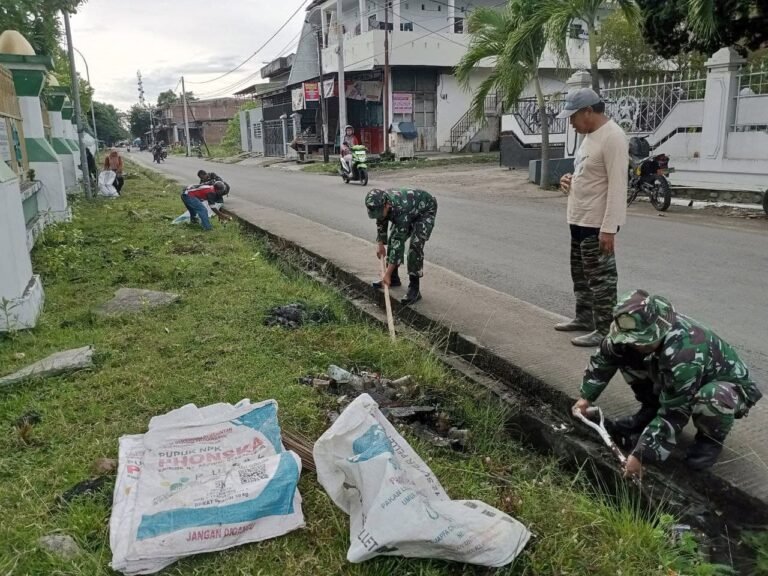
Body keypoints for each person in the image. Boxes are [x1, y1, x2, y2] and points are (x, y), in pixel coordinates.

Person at [573, 289, 762, 478]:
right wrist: (586, 398)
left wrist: (642, 455)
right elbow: (604, 359)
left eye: (643, 341)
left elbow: (675, 411)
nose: (637, 344)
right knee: (627, 356)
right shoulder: (627, 333)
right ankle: (650, 409)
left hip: (728, 388)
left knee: (712, 397)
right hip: (679, 378)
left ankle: (710, 439)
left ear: (659, 330)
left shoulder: (684, 352)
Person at [557, 88, 628, 347]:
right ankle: (584, 317)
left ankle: (605, 330)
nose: (571, 123)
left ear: (588, 111)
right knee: (580, 274)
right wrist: (568, 180)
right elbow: (589, 175)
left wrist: (609, 229)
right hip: (578, 218)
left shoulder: (613, 138)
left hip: (597, 224)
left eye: (573, 117)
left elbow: (618, 186)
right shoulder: (589, 137)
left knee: (601, 280)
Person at [365, 188, 438, 306]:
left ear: (387, 205)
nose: (378, 215)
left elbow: (397, 244)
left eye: (379, 211)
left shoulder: (400, 209)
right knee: (392, 238)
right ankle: (394, 279)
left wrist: (386, 274)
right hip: (410, 211)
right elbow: (381, 220)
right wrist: (380, 244)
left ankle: (414, 289)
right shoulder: (381, 202)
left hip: (425, 211)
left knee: (415, 246)